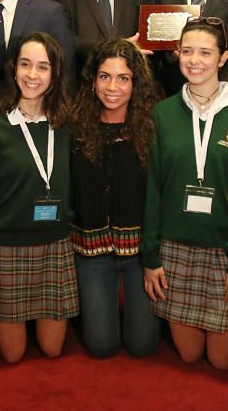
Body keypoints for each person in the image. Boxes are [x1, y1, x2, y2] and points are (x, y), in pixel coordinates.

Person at [141, 18, 228, 370]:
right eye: (187, 51)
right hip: (176, 247)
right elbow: (152, 188)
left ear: (223, 58)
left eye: (205, 52)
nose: (194, 60)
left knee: (221, 360)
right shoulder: (162, 113)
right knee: (189, 354)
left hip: (225, 247)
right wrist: (151, 257)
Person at [0, 32, 79, 363]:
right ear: (13, 69)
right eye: (25, 64)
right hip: (6, 248)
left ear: (55, 73)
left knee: (52, 350)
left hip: (54, 246)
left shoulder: (67, 122)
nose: (32, 75)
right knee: (13, 355)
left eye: (42, 67)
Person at [70, 39, 162, 358]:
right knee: (101, 344)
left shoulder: (152, 128)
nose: (113, 87)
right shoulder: (74, 126)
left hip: (140, 255)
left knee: (142, 345)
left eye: (123, 78)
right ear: (92, 80)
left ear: (136, 84)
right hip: (92, 252)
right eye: (104, 76)